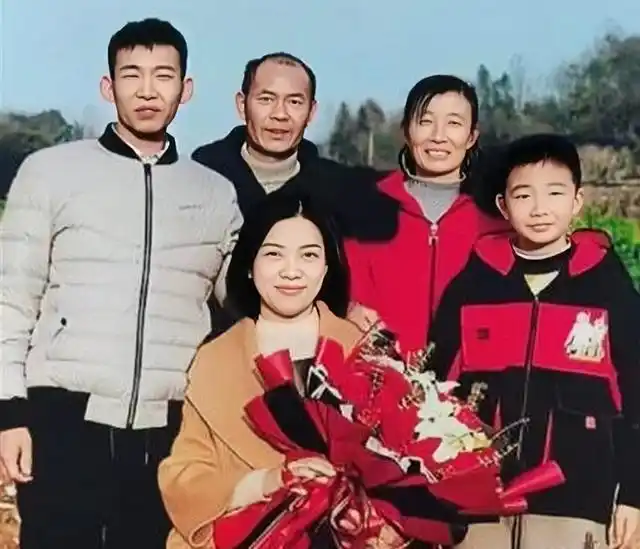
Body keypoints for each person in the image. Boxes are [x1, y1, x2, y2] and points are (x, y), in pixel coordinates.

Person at [0, 18, 241, 549]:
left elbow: (242, 309)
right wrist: (9, 413)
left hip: (170, 425)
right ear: (108, 87)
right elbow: (11, 300)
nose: (148, 90)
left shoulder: (215, 194)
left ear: (186, 89)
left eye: (163, 75)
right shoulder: (50, 172)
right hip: (63, 416)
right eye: (132, 75)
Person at [158, 192, 406, 549]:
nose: (291, 271)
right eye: (274, 254)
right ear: (249, 264)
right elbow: (184, 476)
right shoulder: (215, 360)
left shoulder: (366, 350)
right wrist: (266, 482)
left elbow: (409, 460)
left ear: (328, 267)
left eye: (309, 255)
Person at [428, 134, 640, 549]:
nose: (540, 208)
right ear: (503, 205)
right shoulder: (474, 283)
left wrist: (633, 495)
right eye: (523, 195)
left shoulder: (606, 286)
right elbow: (432, 387)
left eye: (555, 193)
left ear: (577, 200)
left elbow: (636, 396)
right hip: (480, 503)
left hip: (579, 502)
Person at [190, 51, 400, 337]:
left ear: (311, 112)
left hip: (312, 350)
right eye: (266, 99)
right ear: (242, 104)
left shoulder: (337, 189)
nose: (280, 114)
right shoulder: (202, 178)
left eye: (294, 102)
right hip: (220, 346)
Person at [345, 75, 508, 353]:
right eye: (425, 121)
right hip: (380, 372)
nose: (438, 136)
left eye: (454, 123)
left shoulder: (497, 219)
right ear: (406, 131)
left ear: (471, 137)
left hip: (473, 375)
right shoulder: (365, 208)